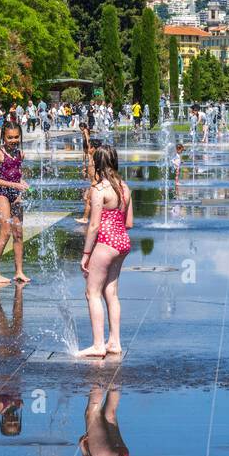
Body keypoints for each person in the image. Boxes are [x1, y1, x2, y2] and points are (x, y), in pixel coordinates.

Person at [77, 144, 132, 357]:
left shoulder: (99, 189)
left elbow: (94, 225)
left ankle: (98, 345)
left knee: (92, 292)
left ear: (98, 164)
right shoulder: (125, 187)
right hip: (122, 243)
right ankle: (115, 342)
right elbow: (129, 222)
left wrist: (86, 254)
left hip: (106, 243)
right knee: (111, 292)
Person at [0, 121, 31, 284]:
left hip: (15, 194)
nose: (13, 140)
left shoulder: (20, 154)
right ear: (3, 137)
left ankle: (19, 271)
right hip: (1, 195)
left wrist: (22, 182)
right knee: (5, 233)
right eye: (9, 137)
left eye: (16, 137)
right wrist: (14, 184)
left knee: (19, 234)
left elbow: (16, 174)